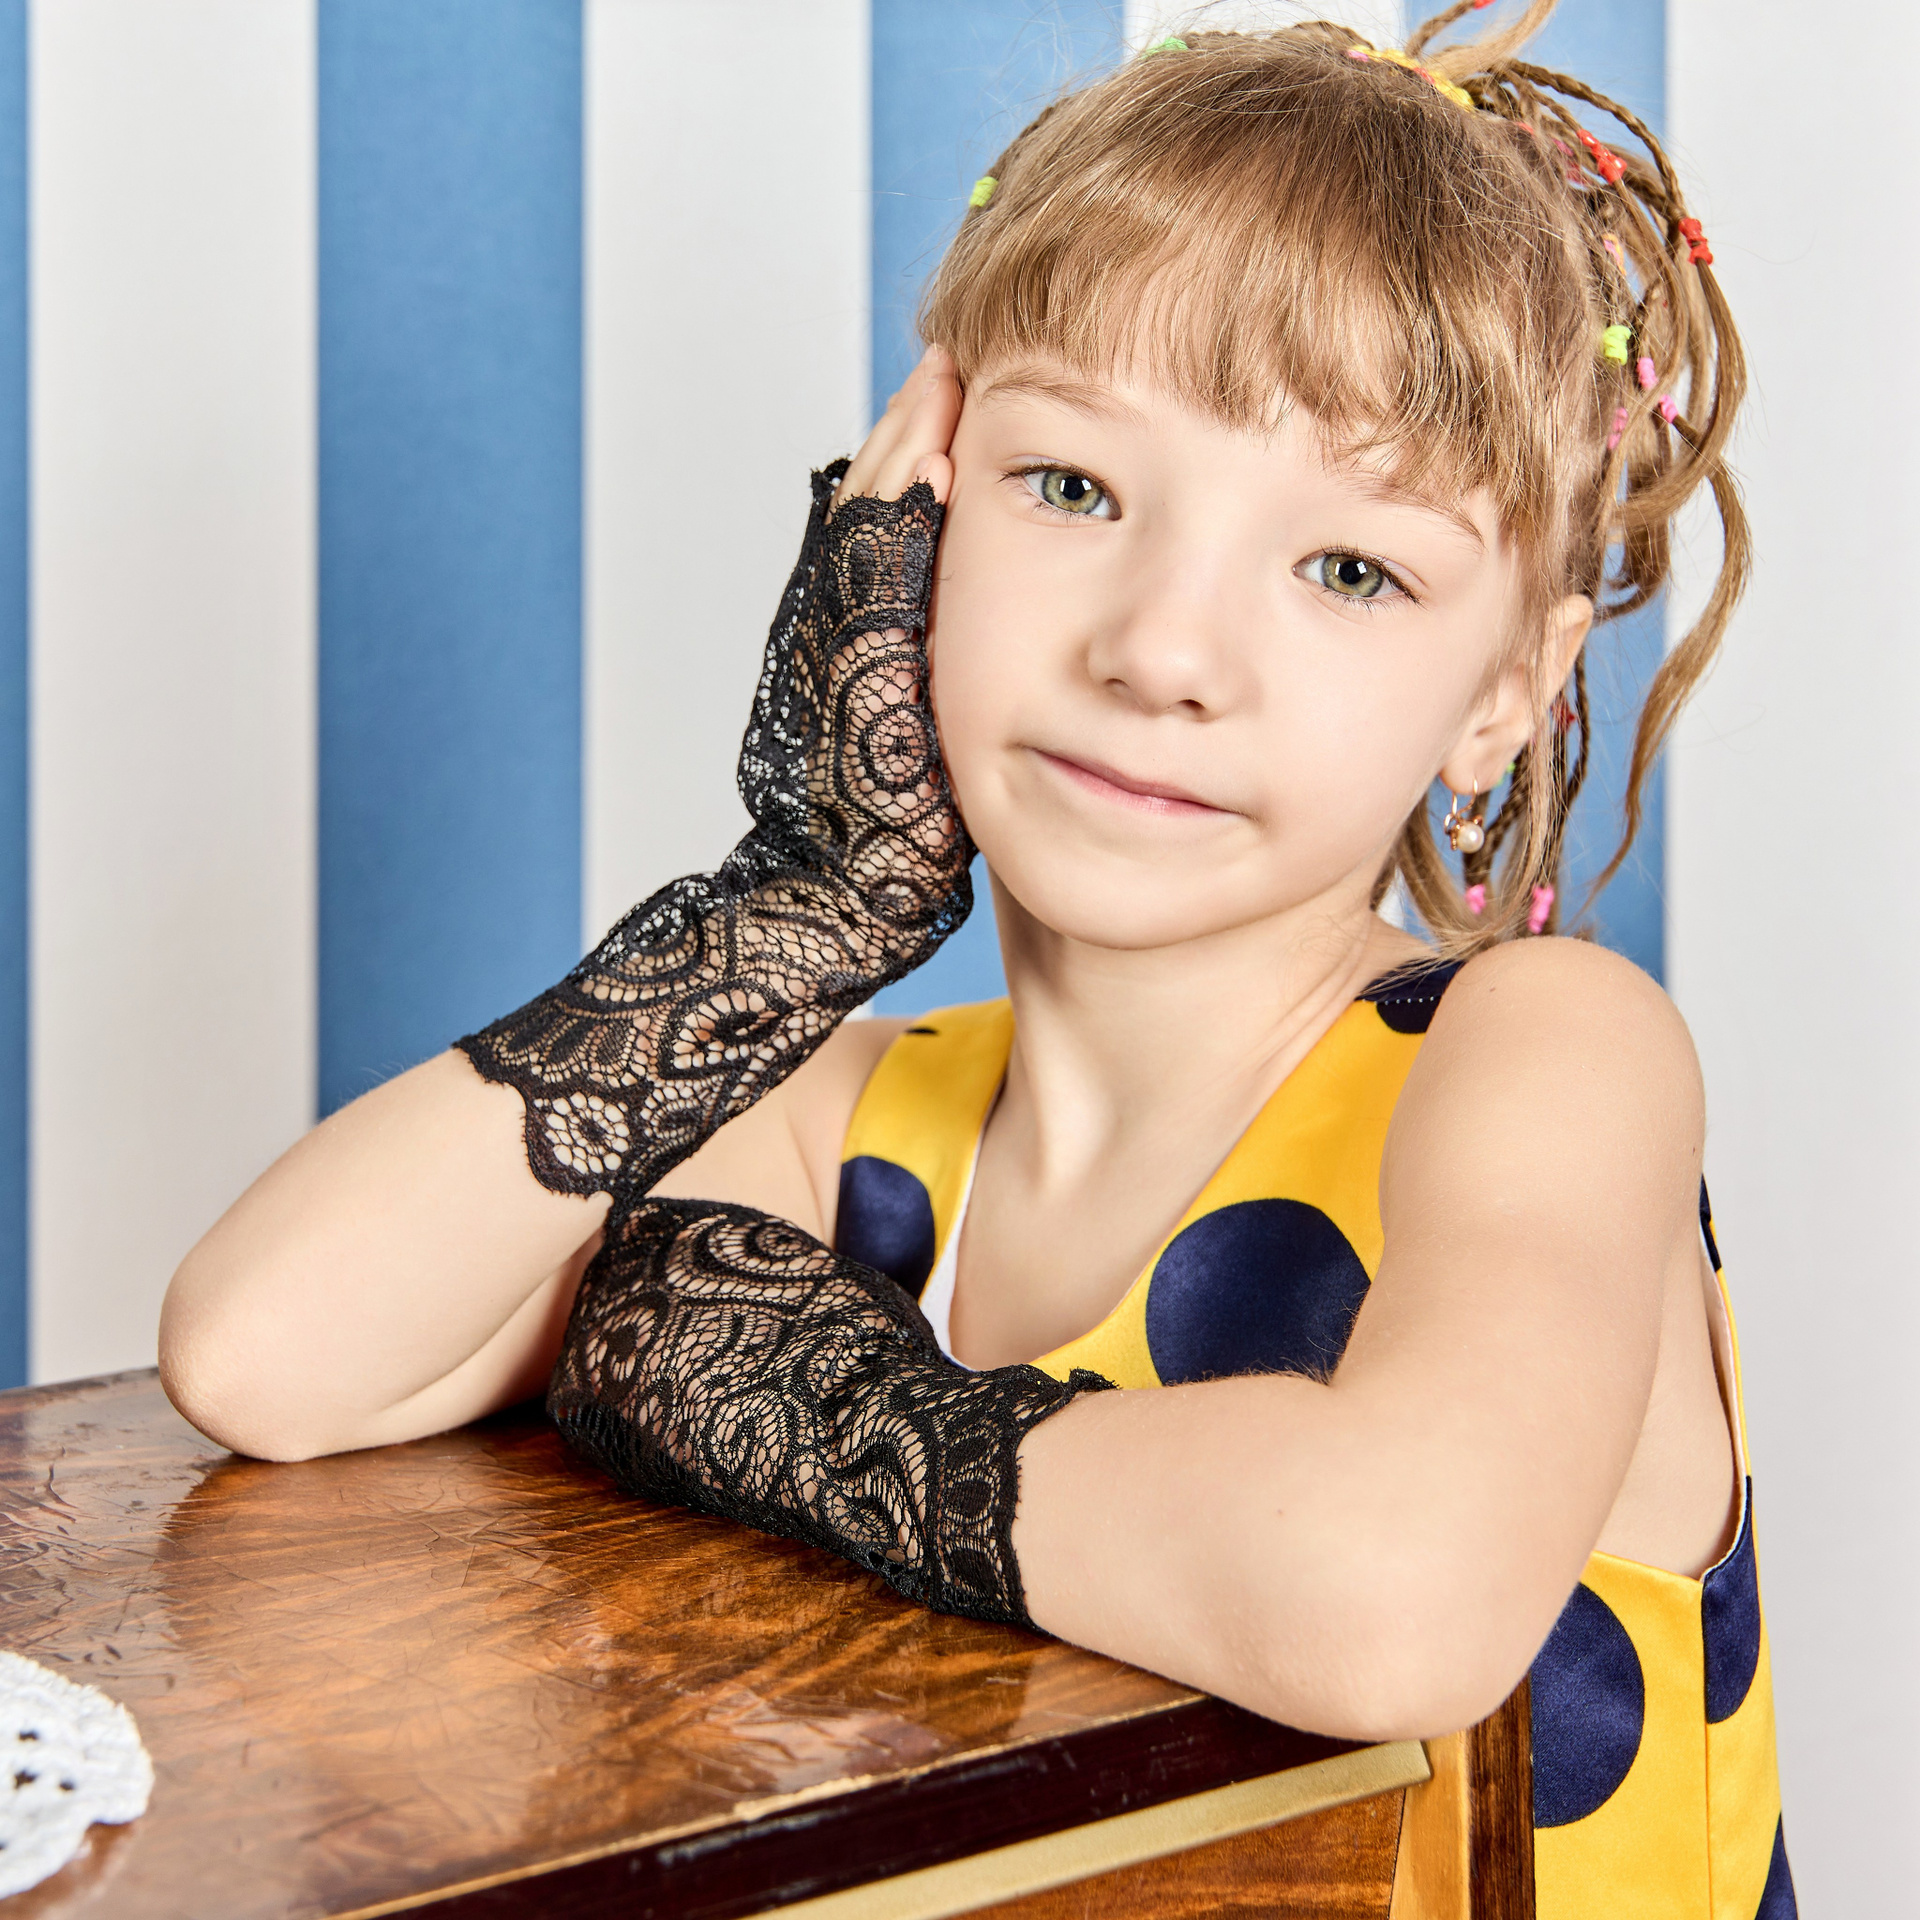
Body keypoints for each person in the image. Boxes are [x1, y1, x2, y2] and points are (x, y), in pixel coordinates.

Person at [158, 4, 1792, 1912]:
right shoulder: (853, 1119)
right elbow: (267, 1354)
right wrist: (808, 900)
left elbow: (1391, 1599)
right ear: (905, 521)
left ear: (1506, 690)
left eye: (1349, 569)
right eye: (1072, 488)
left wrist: (827, 1412)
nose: (1161, 650)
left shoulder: (1543, 1054)